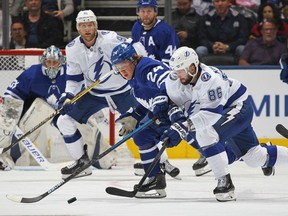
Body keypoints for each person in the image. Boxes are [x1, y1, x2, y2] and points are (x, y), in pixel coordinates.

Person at [160, 46, 288, 201]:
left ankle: (225, 183)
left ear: (192, 67)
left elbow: (211, 115)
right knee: (254, 158)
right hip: (223, 113)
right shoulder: (176, 77)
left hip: (238, 107)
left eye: (180, 70)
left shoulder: (211, 80)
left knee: (205, 133)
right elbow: (172, 99)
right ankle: (264, 152)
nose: (176, 74)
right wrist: (173, 114)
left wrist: (184, 125)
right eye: (175, 70)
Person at [55, 10, 158, 179]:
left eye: (90, 25)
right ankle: (81, 163)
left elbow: (138, 48)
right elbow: (74, 78)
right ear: (77, 28)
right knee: (64, 121)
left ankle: (158, 161)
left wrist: (131, 62)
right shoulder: (72, 48)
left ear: (96, 26)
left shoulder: (110, 39)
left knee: (146, 121)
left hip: (122, 92)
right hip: (93, 93)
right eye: (82, 26)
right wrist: (67, 96)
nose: (87, 29)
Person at [0, 45, 115, 171]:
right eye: (48, 62)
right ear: (42, 61)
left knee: (86, 128)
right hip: (41, 111)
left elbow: (87, 94)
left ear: (61, 62)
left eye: (54, 62)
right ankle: (4, 159)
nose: (51, 65)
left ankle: (104, 159)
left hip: (66, 110)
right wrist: (9, 115)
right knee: (30, 124)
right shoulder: (32, 73)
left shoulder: (71, 72)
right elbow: (13, 94)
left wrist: (97, 113)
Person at [109, 41, 200, 198]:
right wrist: (136, 115)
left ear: (133, 59)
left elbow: (168, 81)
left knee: (215, 147)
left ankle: (249, 155)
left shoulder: (146, 67)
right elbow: (148, 99)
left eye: (124, 65)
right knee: (142, 136)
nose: (122, 71)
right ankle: (154, 179)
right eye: (118, 67)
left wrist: (162, 97)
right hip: (165, 113)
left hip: (179, 112)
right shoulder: (132, 74)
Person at [195, 0, 249, 64]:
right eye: (217, 1)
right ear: (213, 3)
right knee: (200, 50)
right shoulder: (206, 18)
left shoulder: (239, 18)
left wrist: (227, 47)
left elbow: (243, 38)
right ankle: (201, 72)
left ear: (229, 2)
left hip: (232, 48)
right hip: (212, 48)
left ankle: (243, 72)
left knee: (242, 49)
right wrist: (212, 46)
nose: (220, 4)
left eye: (223, 1)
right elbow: (201, 37)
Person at [131, 0, 180, 65]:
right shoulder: (136, 27)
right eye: (142, 11)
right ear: (138, 12)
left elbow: (169, 60)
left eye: (149, 11)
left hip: (160, 70)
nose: (145, 15)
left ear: (155, 12)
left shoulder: (165, 30)